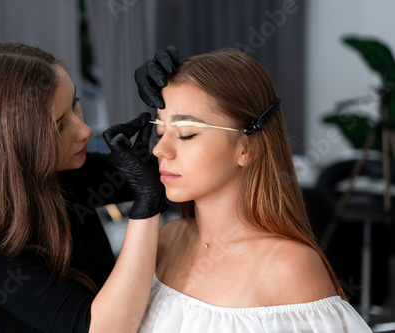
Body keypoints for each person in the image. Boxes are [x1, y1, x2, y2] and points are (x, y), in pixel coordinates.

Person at [0, 41, 168, 333]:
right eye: (59, 126)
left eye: (75, 102)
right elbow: (102, 328)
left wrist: (168, 92)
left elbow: (166, 179)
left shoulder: (59, 173)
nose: (85, 131)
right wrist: (146, 208)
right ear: (11, 147)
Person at [133, 48, 372, 332]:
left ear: (248, 147)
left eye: (186, 134)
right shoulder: (168, 240)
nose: (160, 149)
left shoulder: (288, 267)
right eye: (161, 131)